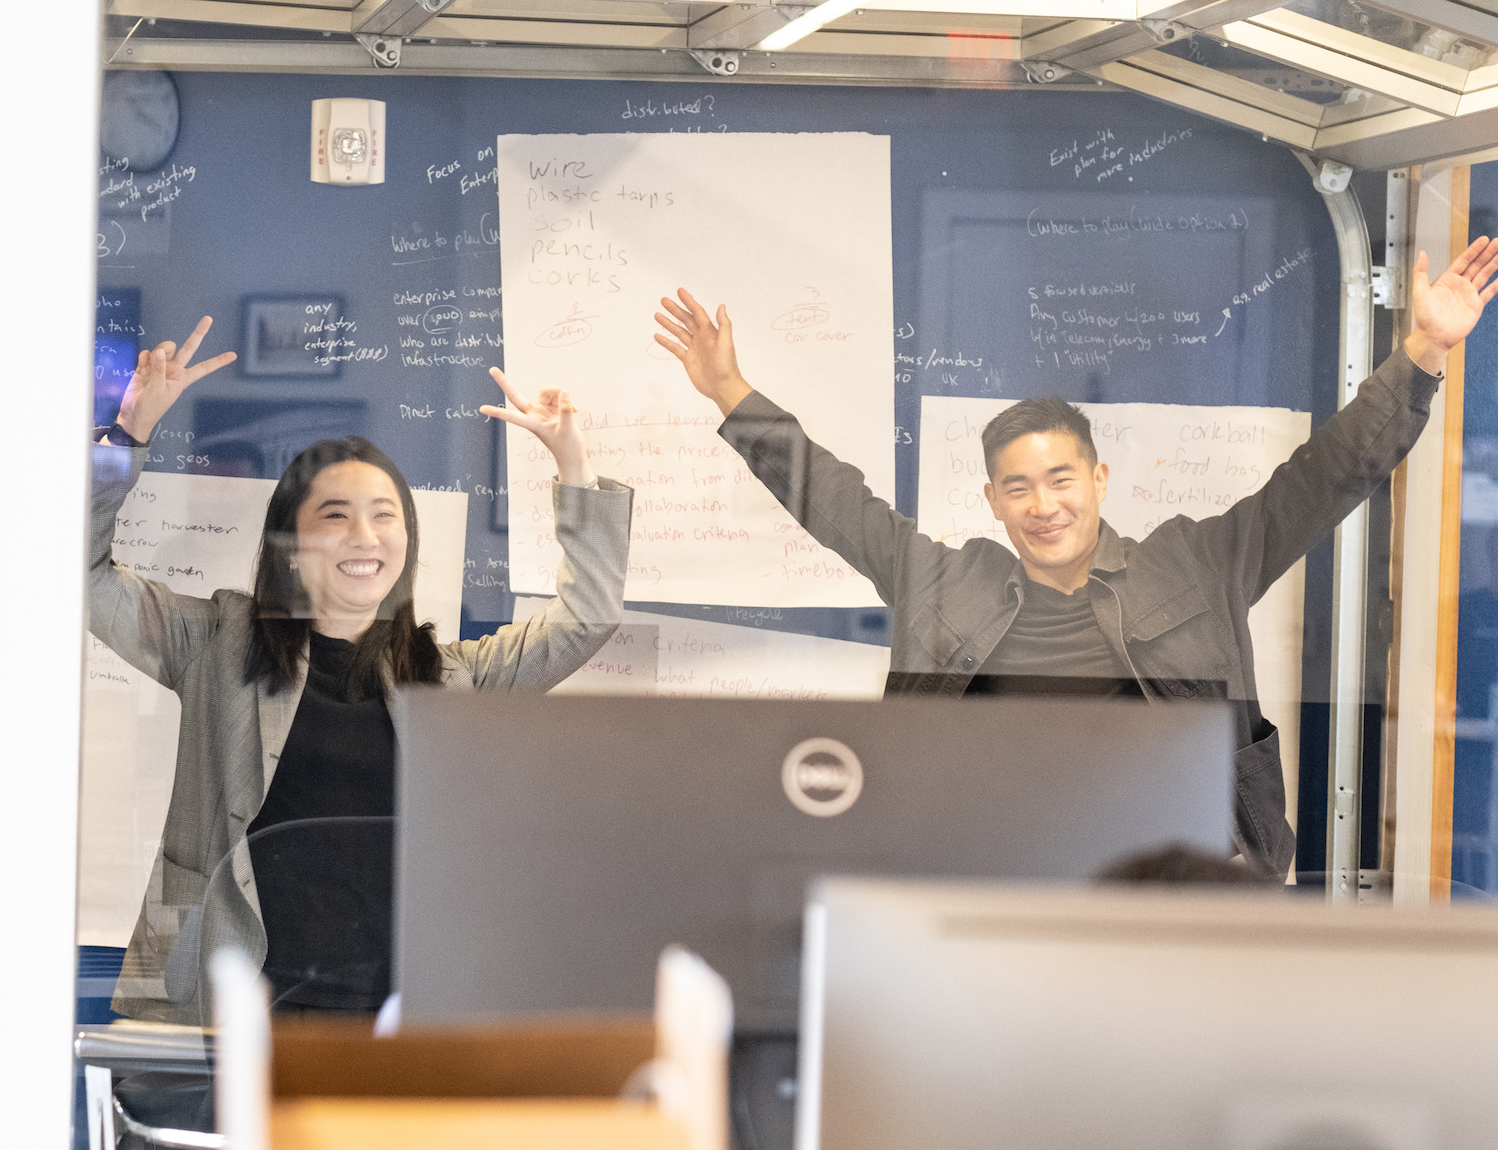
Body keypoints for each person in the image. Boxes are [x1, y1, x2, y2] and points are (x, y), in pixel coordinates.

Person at [654, 240, 1498, 879]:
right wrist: (731, 390)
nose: (1043, 504)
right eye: (1017, 487)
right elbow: (829, 496)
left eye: (1061, 478)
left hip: (1178, 883)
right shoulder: (944, 583)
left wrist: (1423, 350)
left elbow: (1329, 475)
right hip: (991, 881)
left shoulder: (1200, 563)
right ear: (992, 501)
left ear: (1098, 478)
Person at [91, 318, 632, 1022]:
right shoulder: (217, 642)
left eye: (385, 516)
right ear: (289, 545)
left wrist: (574, 469)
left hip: (388, 1023)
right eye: (336, 515)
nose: (365, 536)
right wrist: (126, 438)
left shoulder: (448, 679)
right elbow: (80, 572)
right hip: (219, 1011)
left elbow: (587, 615)